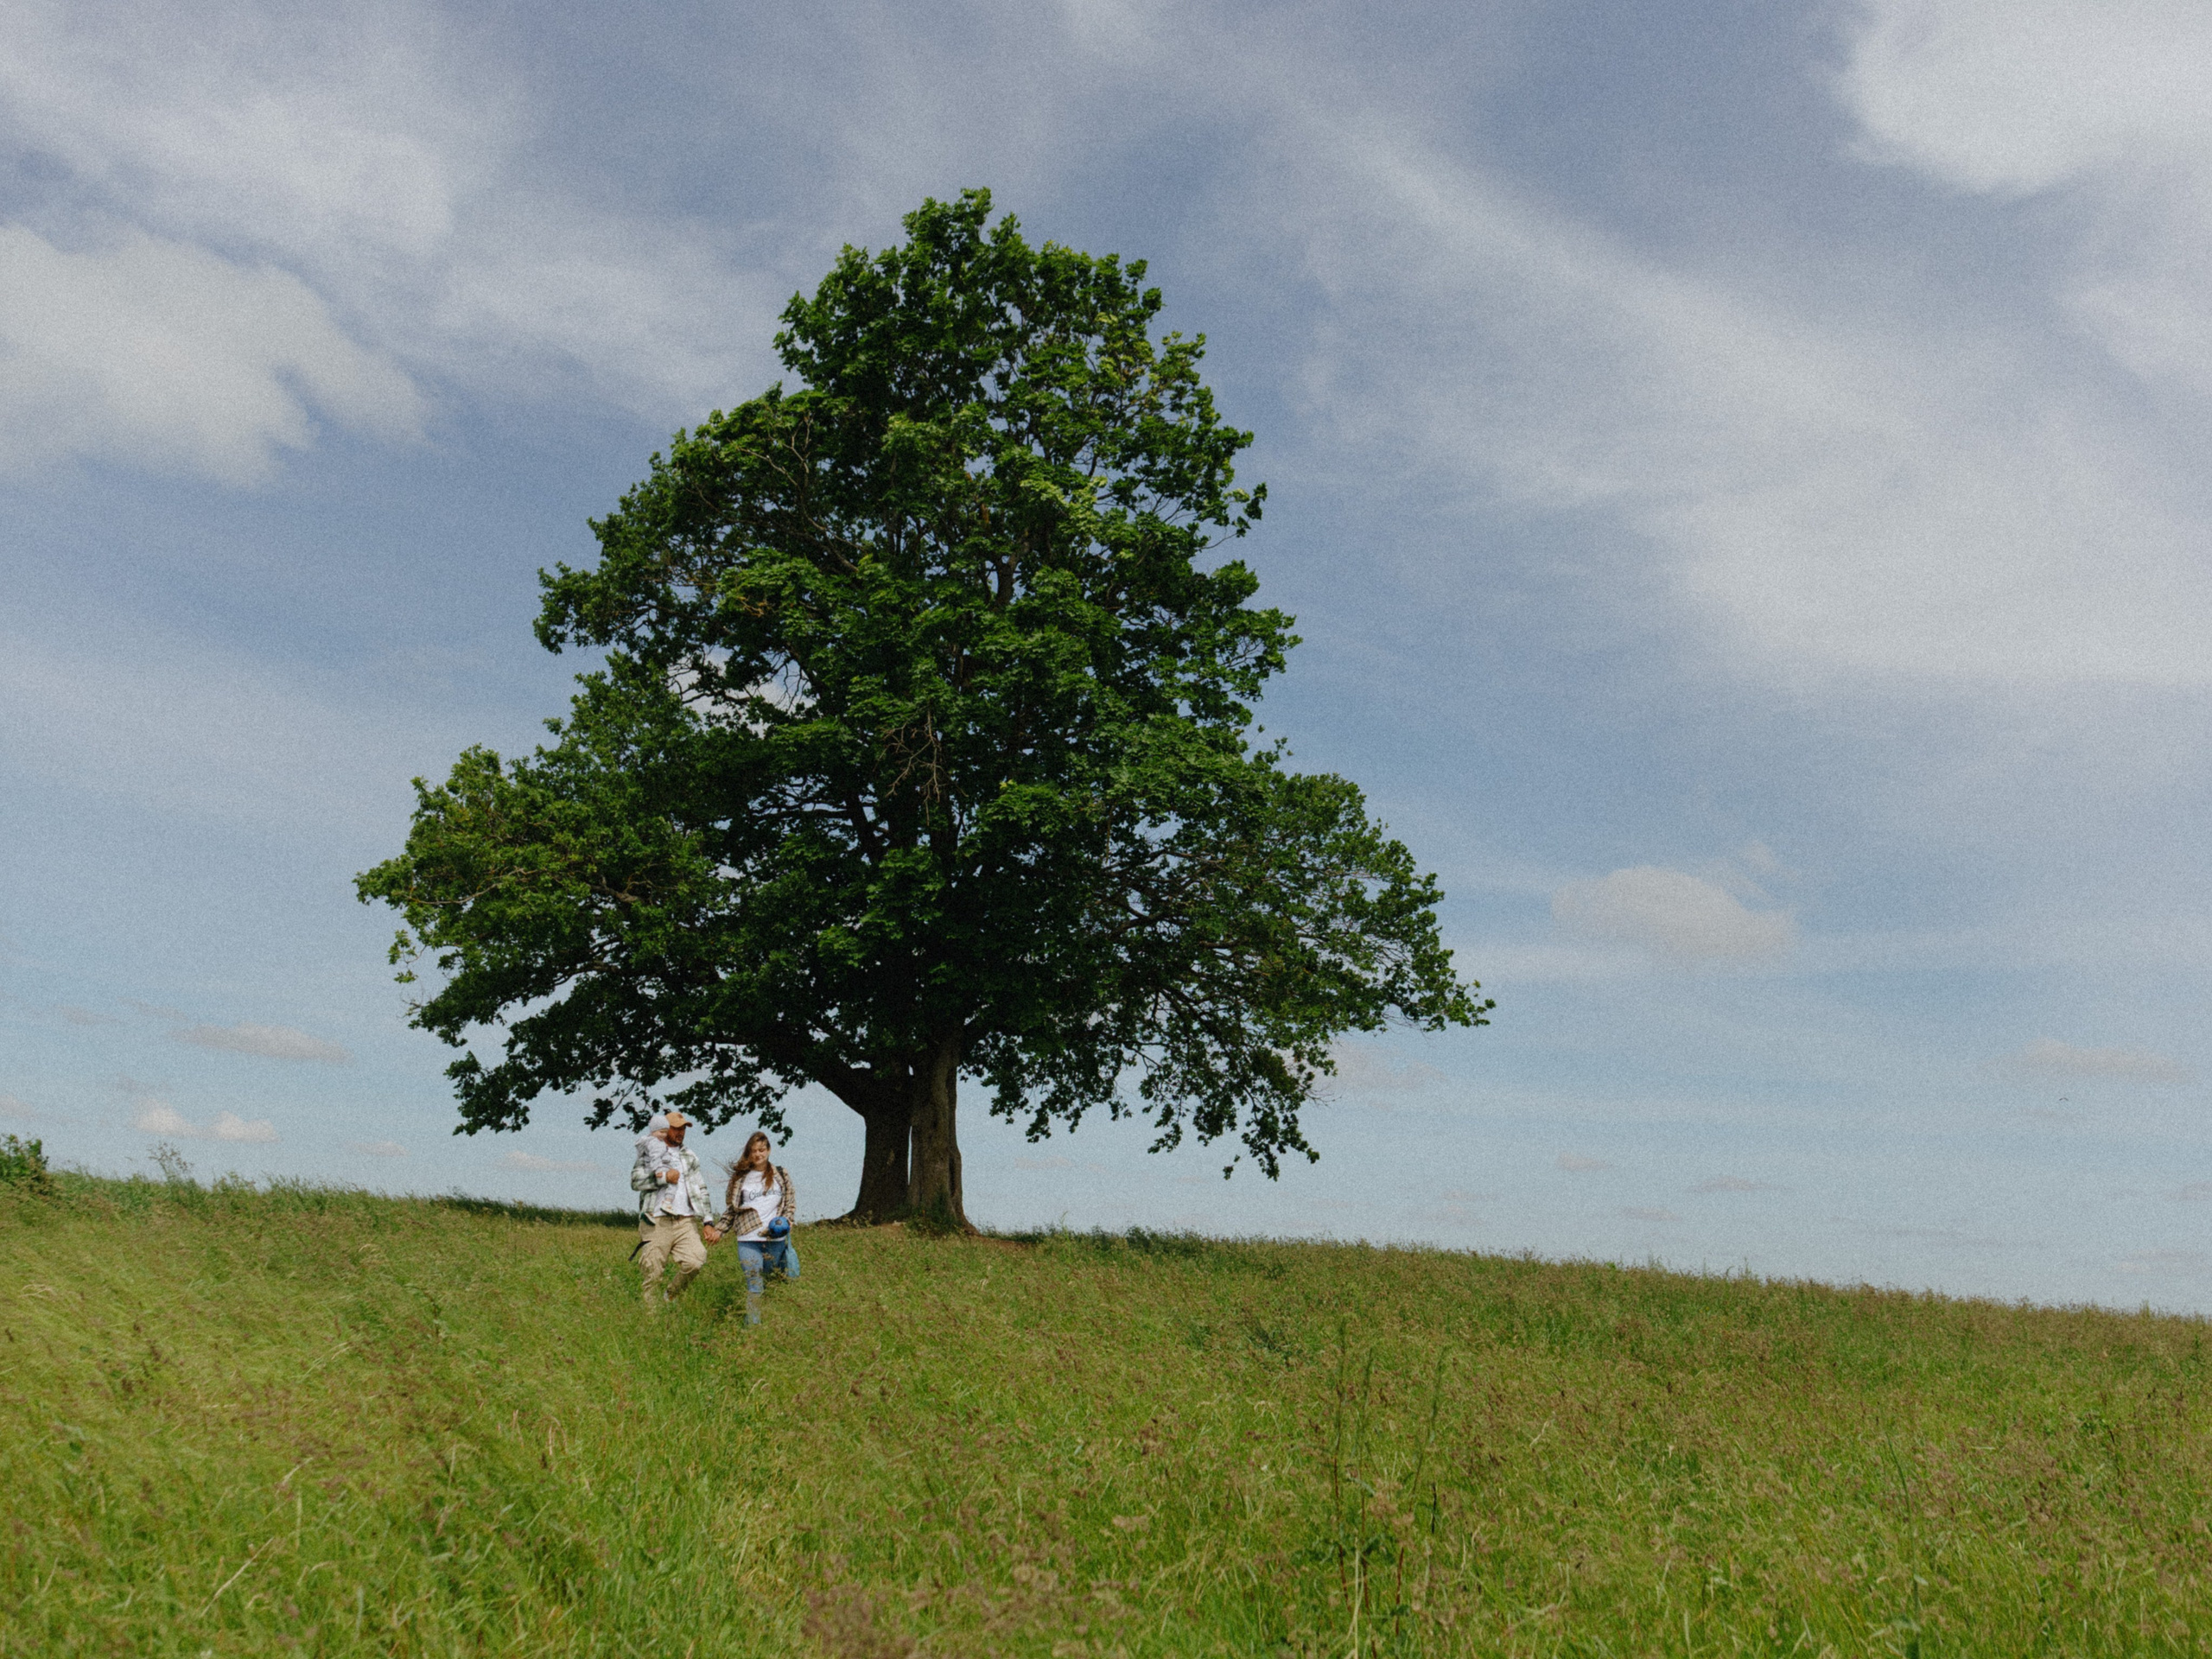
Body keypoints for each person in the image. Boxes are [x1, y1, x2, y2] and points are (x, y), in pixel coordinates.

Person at [629, 1109, 721, 1307]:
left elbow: (701, 1189)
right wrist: (663, 1178)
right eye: (676, 1128)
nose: (680, 1133)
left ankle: (670, 1296)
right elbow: (635, 1182)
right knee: (652, 1270)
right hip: (656, 1219)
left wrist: (708, 1221)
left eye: (683, 1129)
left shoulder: (689, 1156)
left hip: (685, 1219)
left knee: (695, 1261)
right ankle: (651, 1320)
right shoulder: (649, 1149)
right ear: (664, 1129)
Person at [720, 1130, 798, 1325]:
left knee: (773, 1282)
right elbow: (731, 1209)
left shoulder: (781, 1173)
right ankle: (752, 1328)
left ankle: (774, 1322)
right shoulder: (740, 1179)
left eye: (762, 1150)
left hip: (775, 1238)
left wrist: (786, 1221)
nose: (758, 1154)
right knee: (754, 1285)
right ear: (749, 1153)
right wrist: (719, 1229)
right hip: (748, 1238)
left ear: (769, 1150)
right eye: (753, 1151)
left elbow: (790, 1202)